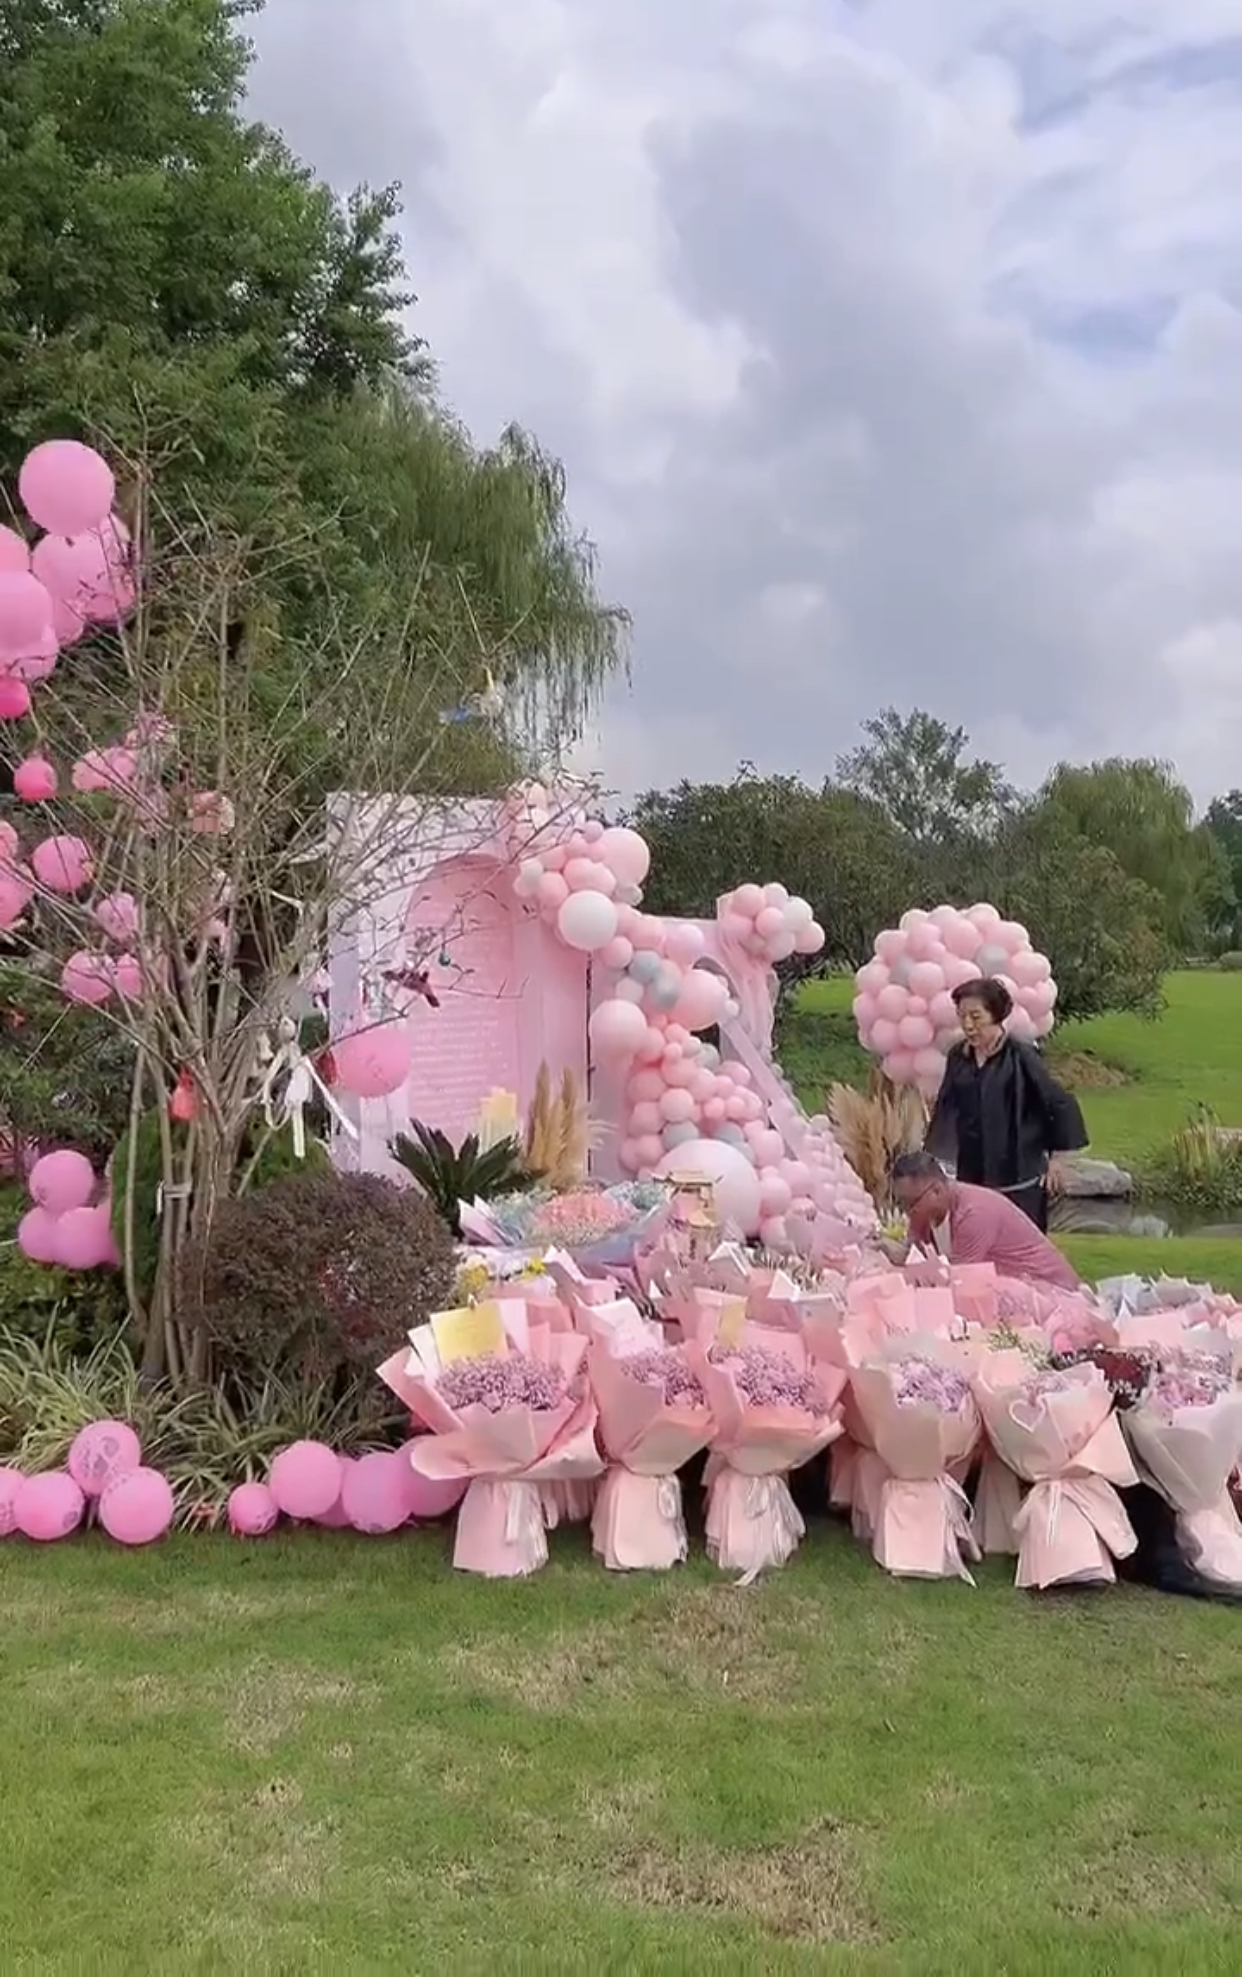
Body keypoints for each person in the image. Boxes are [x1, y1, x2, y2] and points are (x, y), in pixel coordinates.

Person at [925, 976, 1087, 1231]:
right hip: (973, 1173)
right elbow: (946, 1108)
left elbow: (1058, 1102)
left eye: (976, 1017)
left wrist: (1058, 1160)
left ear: (996, 1015)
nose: (968, 1025)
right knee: (976, 1245)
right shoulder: (959, 1055)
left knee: (1020, 1248)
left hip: (1019, 1174)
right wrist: (937, 1161)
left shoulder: (1021, 1055)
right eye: (962, 1016)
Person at [885, 1151, 1083, 1289]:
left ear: (936, 1190)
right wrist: (887, 1252)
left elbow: (959, 1282)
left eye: (910, 1203)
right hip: (1007, 1294)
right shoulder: (923, 1214)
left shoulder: (973, 1213)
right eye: (901, 1202)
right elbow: (914, 1258)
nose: (906, 1211)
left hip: (1051, 1293)